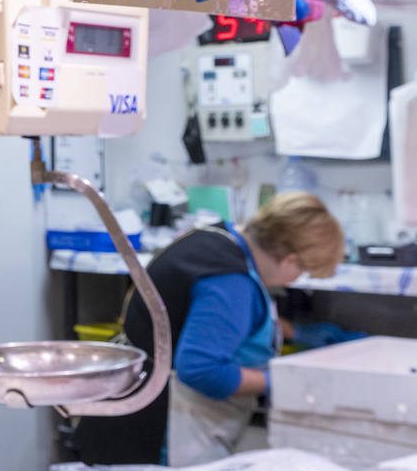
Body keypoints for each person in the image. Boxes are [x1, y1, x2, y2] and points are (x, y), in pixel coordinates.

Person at [73, 192, 345, 466]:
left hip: (125, 401)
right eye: (303, 271)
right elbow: (202, 370)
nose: (295, 280)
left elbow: (222, 319)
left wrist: (296, 333)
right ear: (290, 259)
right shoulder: (229, 281)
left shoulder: (220, 238)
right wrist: (280, 380)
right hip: (157, 432)